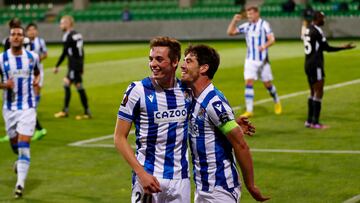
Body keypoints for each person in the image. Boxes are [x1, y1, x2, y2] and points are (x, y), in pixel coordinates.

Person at [180, 44, 269, 202]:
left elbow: (241, 145)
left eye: (189, 61)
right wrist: (232, 122)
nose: (183, 65)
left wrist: (251, 185)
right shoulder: (193, 96)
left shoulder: (213, 102)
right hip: (203, 187)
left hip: (219, 189)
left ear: (203, 68)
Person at [114, 36, 193, 202]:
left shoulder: (187, 91)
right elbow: (119, 137)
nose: (153, 64)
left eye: (159, 59)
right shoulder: (137, 90)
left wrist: (233, 124)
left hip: (181, 179)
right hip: (148, 176)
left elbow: (203, 118)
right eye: (151, 59)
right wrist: (141, 174)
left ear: (175, 62)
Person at [0, 25, 40, 198]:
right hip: (9, 109)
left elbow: (37, 73)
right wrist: (3, 85)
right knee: (16, 146)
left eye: (19, 34)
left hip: (28, 108)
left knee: (24, 146)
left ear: (23, 39)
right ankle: (19, 163)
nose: (16, 37)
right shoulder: (1, 59)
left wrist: (36, 84)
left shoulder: (32, 57)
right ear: (9, 38)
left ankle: (20, 185)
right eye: (13, 34)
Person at [303, 11, 355, 129]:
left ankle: (309, 120)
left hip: (307, 63)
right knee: (319, 92)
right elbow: (327, 48)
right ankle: (315, 122)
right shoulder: (317, 31)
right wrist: (343, 47)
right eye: (322, 18)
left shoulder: (308, 29)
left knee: (312, 92)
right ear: (317, 19)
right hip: (316, 64)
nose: (324, 20)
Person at [227, 6, 282, 118]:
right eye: (248, 15)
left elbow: (272, 39)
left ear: (257, 13)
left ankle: (276, 100)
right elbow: (230, 32)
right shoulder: (247, 26)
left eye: (251, 14)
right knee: (248, 82)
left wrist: (264, 46)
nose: (249, 16)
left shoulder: (264, 24)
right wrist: (234, 21)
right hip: (250, 60)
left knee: (268, 84)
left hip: (262, 60)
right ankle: (249, 110)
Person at [53, 15, 91, 120]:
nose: (60, 26)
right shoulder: (78, 34)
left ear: (68, 23)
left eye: (61, 23)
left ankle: (86, 112)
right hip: (77, 65)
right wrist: (81, 66)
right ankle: (66, 110)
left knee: (78, 86)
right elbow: (81, 52)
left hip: (73, 66)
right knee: (67, 84)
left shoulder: (67, 35)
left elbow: (64, 53)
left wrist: (57, 65)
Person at [25, 22, 47, 140]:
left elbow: (45, 54)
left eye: (34, 30)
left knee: (36, 92)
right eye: (30, 30)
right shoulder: (24, 42)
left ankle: (33, 112)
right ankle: (33, 113)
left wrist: (37, 60)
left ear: (36, 31)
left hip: (38, 71)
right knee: (31, 95)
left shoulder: (40, 41)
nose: (32, 32)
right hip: (27, 72)